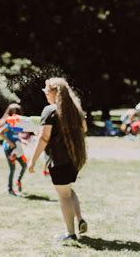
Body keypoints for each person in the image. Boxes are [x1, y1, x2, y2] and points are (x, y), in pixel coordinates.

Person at [29, 77, 88, 244]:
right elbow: (84, 128)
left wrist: (32, 161)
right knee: (68, 191)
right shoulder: (74, 110)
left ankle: (70, 233)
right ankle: (80, 219)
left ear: (54, 93)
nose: (45, 94)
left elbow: (44, 138)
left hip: (59, 161)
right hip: (73, 159)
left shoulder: (50, 110)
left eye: (47, 91)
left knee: (64, 196)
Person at [0, 103, 28, 195]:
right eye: (15, 112)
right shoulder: (8, 124)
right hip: (9, 149)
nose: (17, 114)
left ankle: (18, 180)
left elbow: (16, 135)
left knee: (24, 165)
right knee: (12, 169)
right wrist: (9, 142)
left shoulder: (17, 125)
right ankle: (10, 189)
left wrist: (22, 140)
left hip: (17, 148)